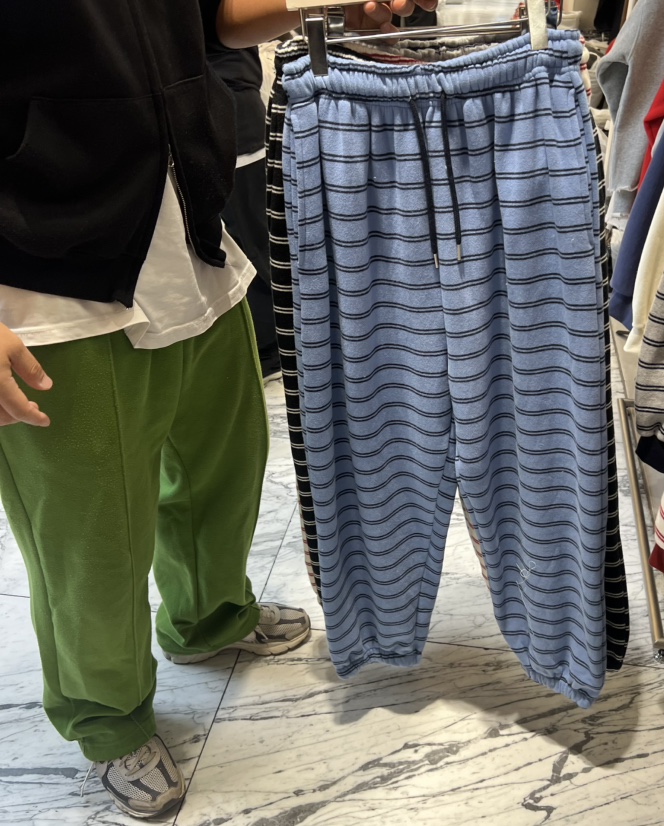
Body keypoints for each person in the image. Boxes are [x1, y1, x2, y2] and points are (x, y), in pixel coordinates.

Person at [0, 0, 436, 819]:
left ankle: (208, 616)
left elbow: (215, 18)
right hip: (45, 278)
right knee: (90, 542)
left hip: (188, 229)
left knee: (223, 466)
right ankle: (109, 719)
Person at [207, 42, 283, 382]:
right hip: (224, 110)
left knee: (249, 243)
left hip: (228, 115)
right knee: (246, 240)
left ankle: (270, 350)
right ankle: (267, 348)